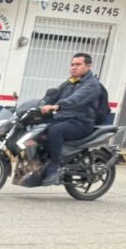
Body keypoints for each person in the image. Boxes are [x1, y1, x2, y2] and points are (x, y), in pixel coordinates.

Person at [39, 52, 103, 186]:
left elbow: (76, 100)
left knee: (56, 131)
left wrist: (57, 106)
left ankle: (56, 166)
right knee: (39, 130)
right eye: (72, 64)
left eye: (78, 64)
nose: (74, 67)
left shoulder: (92, 85)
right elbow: (54, 94)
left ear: (88, 66)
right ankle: (43, 161)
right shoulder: (70, 82)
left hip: (81, 123)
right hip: (65, 118)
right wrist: (42, 103)